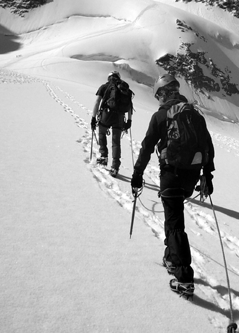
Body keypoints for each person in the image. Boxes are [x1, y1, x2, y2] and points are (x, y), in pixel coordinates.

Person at [130, 74, 215, 296]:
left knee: (175, 222)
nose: (158, 98)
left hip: (171, 174)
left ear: (163, 93)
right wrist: (208, 175)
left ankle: (184, 276)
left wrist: (138, 173)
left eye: (159, 94)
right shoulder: (195, 114)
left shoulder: (160, 116)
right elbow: (208, 144)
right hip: (192, 175)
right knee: (173, 216)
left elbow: (147, 146)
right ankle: (171, 258)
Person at [91, 71, 133, 177]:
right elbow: (129, 107)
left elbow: (97, 102)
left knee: (102, 133)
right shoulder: (124, 89)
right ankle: (115, 167)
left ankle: (104, 157)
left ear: (108, 77)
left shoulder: (104, 87)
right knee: (116, 142)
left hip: (107, 114)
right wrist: (129, 121)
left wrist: (93, 117)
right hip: (119, 117)